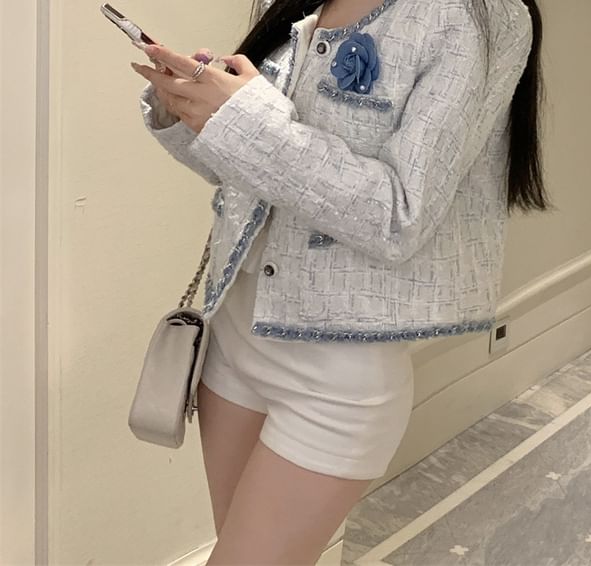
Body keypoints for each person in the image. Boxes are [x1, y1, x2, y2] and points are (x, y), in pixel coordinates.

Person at [131, 0, 547, 562]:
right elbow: (259, 175)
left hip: (333, 378)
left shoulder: (474, 17)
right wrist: (191, 106)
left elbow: (399, 217)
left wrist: (246, 122)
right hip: (231, 343)